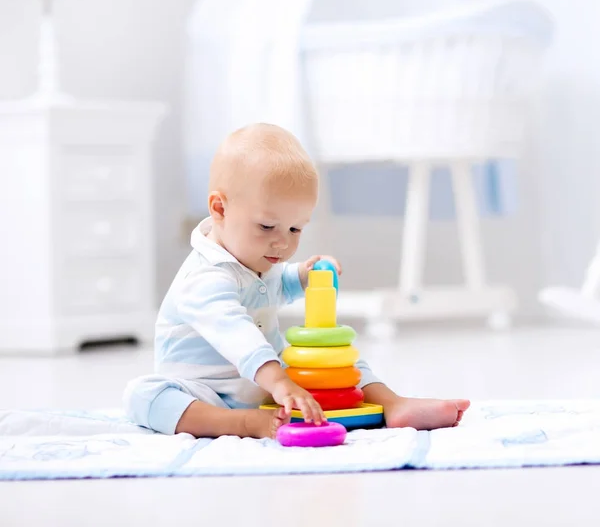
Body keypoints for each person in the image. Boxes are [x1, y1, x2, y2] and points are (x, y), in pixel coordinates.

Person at [123, 123, 470, 439]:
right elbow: (235, 331)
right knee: (144, 396)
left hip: (270, 386)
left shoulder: (255, 257)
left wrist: (304, 274)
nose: (282, 243)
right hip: (205, 391)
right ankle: (240, 424)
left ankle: (393, 404)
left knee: (341, 364)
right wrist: (278, 381)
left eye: (295, 229)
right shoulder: (203, 278)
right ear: (220, 209)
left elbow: (276, 283)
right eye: (267, 227)